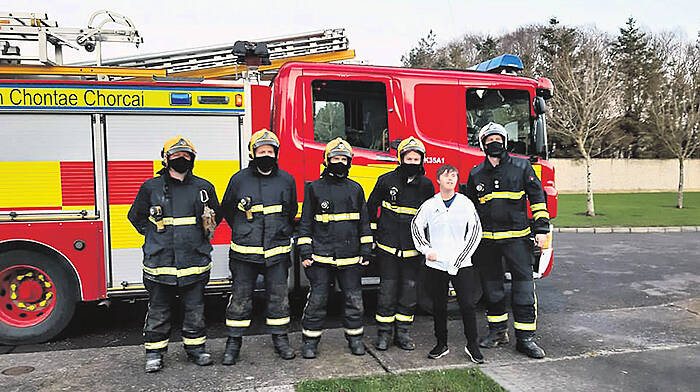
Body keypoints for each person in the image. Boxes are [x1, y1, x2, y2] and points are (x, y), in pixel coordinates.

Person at [128, 136, 220, 373]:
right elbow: (135, 217)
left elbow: (214, 218)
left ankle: (196, 350)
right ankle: (154, 354)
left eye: (187, 155)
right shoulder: (151, 188)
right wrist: (153, 237)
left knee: (195, 309)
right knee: (159, 310)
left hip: (194, 263)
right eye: (177, 155)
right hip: (160, 263)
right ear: (166, 159)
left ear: (193, 159)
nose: (182, 159)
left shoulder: (204, 188)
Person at [464, 122, 550, 359]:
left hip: (518, 241)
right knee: (492, 290)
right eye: (489, 140)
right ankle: (498, 332)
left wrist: (541, 229)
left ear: (504, 141)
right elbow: (469, 208)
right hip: (487, 243)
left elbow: (538, 199)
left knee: (522, 290)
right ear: (483, 145)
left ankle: (526, 339)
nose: (494, 143)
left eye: (498, 139)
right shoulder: (475, 174)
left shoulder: (522, 167)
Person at [220, 129, 297, 365]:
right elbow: (227, 210)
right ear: (253, 154)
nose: (266, 155)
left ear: (276, 154)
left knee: (279, 298)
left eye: (270, 151)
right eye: (261, 151)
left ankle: (280, 340)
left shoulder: (287, 180)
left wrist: (280, 231)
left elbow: (291, 211)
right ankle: (233, 343)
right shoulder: (239, 180)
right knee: (240, 300)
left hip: (277, 253)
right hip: (245, 254)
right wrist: (245, 231)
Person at [296, 137, 373, 359]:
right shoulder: (314, 188)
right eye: (335, 158)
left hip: (350, 257)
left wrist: (366, 250)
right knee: (318, 300)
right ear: (326, 161)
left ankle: (355, 339)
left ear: (349, 162)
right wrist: (305, 252)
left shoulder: (356, 189)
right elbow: (306, 222)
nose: (339, 162)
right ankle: (310, 342)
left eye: (343, 159)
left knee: (354, 300)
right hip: (321, 256)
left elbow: (364, 223)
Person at [367, 137, 434, 351]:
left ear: (422, 160)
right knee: (387, 291)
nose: (412, 161)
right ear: (401, 159)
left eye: (416, 158)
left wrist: (429, 246)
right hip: (388, 248)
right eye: (408, 157)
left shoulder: (426, 185)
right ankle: (384, 335)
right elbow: (370, 209)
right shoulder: (386, 180)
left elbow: (431, 218)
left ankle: (403, 333)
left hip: (413, 251)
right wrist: (374, 238)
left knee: (409, 291)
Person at [411, 164, 484, 363]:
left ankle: (472, 346)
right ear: (438, 180)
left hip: (462, 264)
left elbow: (476, 232)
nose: (450, 179)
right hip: (437, 265)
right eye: (445, 176)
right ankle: (441, 344)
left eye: (453, 176)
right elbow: (416, 226)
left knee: (468, 305)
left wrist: (460, 258)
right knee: (439, 306)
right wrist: (426, 250)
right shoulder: (430, 204)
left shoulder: (465, 203)